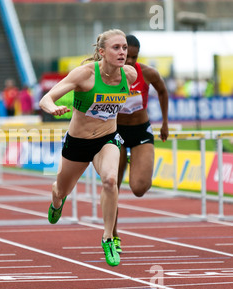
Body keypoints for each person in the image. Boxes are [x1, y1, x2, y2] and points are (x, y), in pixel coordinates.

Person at [39, 29, 137, 267]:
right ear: (102, 52)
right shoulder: (84, 75)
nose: (122, 52)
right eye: (116, 48)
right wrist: (52, 108)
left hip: (107, 138)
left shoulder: (130, 75)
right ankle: (56, 201)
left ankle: (108, 238)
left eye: (124, 48)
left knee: (111, 181)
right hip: (79, 142)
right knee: (62, 190)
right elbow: (46, 99)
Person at [112, 35, 169, 253]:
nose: (129, 61)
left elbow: (162, 90)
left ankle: (138, 166)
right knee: (112, 185)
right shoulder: (108, 74)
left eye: (134, 57)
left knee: (139, 188)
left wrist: (164, 122)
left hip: (140, 129)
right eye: (127, 56)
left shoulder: (147, 72)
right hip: (115, 132)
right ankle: (112, 234)